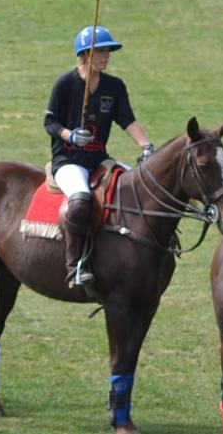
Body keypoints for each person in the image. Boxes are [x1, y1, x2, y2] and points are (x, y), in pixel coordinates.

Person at [43, 25, 154, 287]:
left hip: (98, 159)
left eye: (108, 51)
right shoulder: (65, 84)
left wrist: (146, 146)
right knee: (81, 200)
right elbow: (50, 122)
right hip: (68, 161)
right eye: (101, 51)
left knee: (141, 187)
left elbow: (127, 120)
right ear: (85, 54)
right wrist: (70, 135)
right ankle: (75, 266)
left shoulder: (114, 86)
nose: (107, 56)